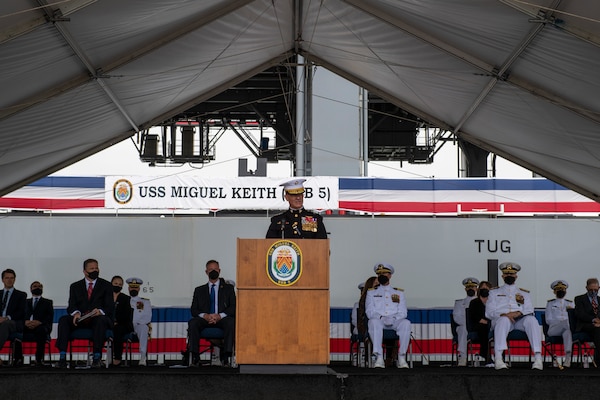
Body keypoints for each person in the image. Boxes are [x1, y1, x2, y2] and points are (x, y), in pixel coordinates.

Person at [55, 258, 114, 368]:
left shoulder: (106, 285)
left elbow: (109, 306)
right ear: (85, 271)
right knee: (63, 320)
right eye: (92, 268)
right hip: (81, 318)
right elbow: (71, 305)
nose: (95, 270)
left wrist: (100, 311)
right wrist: (76, 313)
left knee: (100, 321)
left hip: (97, 318)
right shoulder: (75, 286)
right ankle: (62, 357)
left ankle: (97, 357)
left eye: (96, 268)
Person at [485, 262, 543, 370]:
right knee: (503, 320)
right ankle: (498, 358)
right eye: (507, 274)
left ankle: (538, 358)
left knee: (532, 320)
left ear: (516, 276)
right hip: (502, 320)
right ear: (502, 276)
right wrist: (505, 315)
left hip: (519, 320)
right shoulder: (494, 292)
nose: (509, 276)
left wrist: (518, 313)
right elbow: (489, 312)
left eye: (512, 274)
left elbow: (529, 309)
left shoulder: (524, 293)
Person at [187, 260, 236, 366]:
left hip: (222, 319)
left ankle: (227, 356)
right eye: (210, 270)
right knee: (193, 323)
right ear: (206, 272)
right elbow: (194, 310)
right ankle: (195, 355)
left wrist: (219, 316)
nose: (213, 271)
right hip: (205, 319)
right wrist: (205, 315)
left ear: (219, 271)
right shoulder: (199, 290)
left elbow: (233, 307)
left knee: (231, 322)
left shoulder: (228, 289)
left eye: (215, 269)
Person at [365, 263, 411, 369]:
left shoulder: (398, 293)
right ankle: (379, 357)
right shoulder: (371, 293)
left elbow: (403, 312)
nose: (382, 276)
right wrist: (381, 318)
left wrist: (394, 318)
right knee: (373, 321)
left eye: (384, 274)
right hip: (379, 320)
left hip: (395, 321)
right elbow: (370, 311)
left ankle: (401, 356)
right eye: (379, 274)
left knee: (406, 323)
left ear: (390, 276)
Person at [13, 281, 54, 366]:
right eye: (35, 286)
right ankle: (18, 359)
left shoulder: (48, 302)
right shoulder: (25, 302)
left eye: (40, 286)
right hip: (26, 326)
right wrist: (25, 322)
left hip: (40, 326)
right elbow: (19, 315)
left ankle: (38, 359)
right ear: (31, 289)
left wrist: (39, 322)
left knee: (42, 330)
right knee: (17, 329)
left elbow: (49, 317)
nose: (37, 288)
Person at [0, 268, 27, 366]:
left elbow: (21, 312)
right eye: (7, 278)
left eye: (12, 278)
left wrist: (6, 318)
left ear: (15, 279)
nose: (9, 280)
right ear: (2, 280)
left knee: (5, 324)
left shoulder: (21, 295)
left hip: (13, 323)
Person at [545, 280, 573, 368]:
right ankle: (568, 356)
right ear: (554, 291)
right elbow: (548, 320)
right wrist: (561, 323)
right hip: (554, 329)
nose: (561, 291)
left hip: (566, 328)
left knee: (568, 331)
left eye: (563, 290)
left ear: (566, 291)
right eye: (558, 290)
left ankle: (568, 357)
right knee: (567, 324)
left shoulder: (570, 303)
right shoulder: (550, 303)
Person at [574, 277, 600, 367]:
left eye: (596, 290)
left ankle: (597, 359)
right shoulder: (579, 299)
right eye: (591, 289)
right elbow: (580, 314)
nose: (593, 292)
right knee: (597, 330)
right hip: (585, 325)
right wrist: (593, 320)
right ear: (586, 288)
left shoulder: (599, 300)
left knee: (598, 329)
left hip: (598, 325)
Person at [453, 277, 479, 367]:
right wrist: (467, 324)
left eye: (473, 287)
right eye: (468, 287)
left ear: (476, 288)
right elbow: (456, 317)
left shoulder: (481, 302)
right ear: (465, 289)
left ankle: (490, 359)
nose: (470, 289)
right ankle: (463, 357)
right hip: (464, 325)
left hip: (477, 327)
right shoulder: (459, 303)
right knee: (463, 329)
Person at [127, 277, 152, 366]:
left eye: (135, 287)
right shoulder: (124, 300)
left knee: (144, 328)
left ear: (139, 289)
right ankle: (112, 357)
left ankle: (142, 357)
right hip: (125, 325)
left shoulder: (144, 302)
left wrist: (137, 322)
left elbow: (147, 317)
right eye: (132, 287)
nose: (133, 289)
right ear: (128, 288)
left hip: (138, 325)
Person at [468, 280, 493, 367]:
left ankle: (500, 358)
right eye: (482, 288)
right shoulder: (474, 302)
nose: (484, 290)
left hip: (492, 324)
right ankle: (485, 355)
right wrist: (483, 321)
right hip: (477, 325)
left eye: (486, 288)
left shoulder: (493, 302)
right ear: (479, 290)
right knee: (483, 328)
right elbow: (473, 316)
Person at [111, 275, 132, 367]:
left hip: (122, 324)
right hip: (108, 323)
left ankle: (117, 358)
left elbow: (126, 315)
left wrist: (116, 322)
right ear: (111, 284)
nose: (118, 286)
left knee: (118, 330)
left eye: (120, 284)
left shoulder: (126, 299)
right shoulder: (105, 297)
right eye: (115, 283)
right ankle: (97, 357)